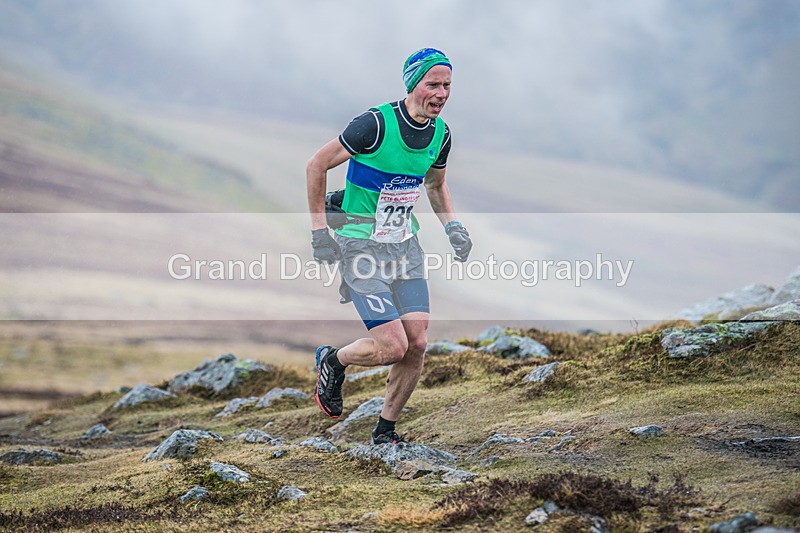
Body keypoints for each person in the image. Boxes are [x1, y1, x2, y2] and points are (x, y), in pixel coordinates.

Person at [306, 48, 472, 445]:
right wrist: (318, 233)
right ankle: (334, 359)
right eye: (433, 84)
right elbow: (316, 165)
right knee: (393, 346)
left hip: (404, 246)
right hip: (359, 244)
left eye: (448, 85)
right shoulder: (376, 125)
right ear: (413, 84)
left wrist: (454, 227)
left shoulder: (440, 135)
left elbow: (435, 184)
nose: (442, 93)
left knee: (417, 343)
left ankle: (385, 431)